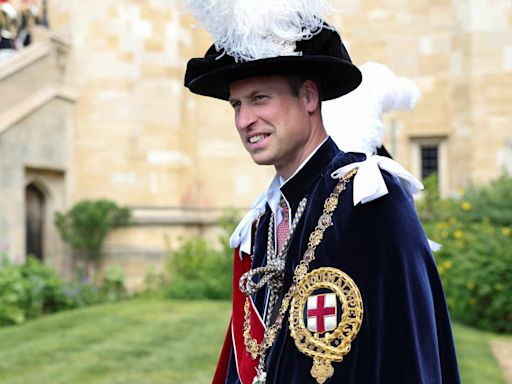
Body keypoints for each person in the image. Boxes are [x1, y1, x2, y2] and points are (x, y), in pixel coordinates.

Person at [184, 1, 461, 383]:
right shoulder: (263, 222)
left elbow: (410, 354)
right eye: (237, 105)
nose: (245, 120)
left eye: (260, 98)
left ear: (310, 97)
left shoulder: (370, 198)